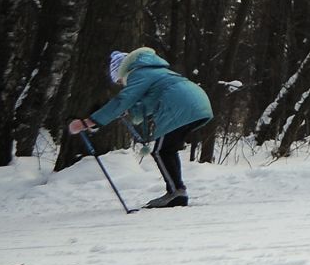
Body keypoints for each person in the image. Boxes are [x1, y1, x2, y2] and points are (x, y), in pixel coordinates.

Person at [69, 48, 213, 209]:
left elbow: (123, 99)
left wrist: (88, 122)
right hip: (197, 103)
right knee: (167, 148)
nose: (121, 84)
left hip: (179, 105)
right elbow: (147, 104)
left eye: (119, 81)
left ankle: (176, 193)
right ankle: (176, 192)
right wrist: (127, 111)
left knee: (162, 150)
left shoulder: (138, 73)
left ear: (122, 72)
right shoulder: (155, 71)